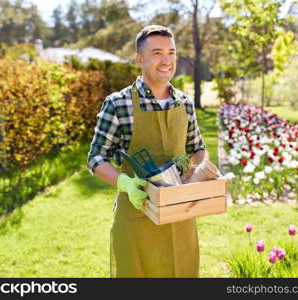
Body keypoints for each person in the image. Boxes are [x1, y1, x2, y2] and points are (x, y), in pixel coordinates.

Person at [87, 25, 208, 278]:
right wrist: (124, 182)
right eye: (157, 53)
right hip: (137, 216)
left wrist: (196, 173)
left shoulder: (184, 103)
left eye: (171, 52)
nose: (166, 60)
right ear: (140, 59)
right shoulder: (118, 103)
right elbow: (96, 157)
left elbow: (197, 149)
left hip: (180, 218)